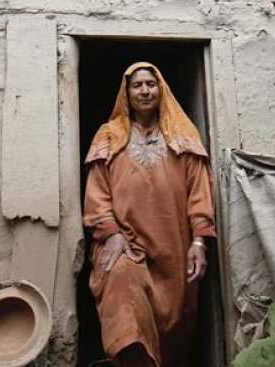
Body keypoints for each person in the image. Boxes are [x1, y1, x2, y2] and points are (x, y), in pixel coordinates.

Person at [83, 62, 216, 367]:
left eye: (150, 84)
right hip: (127, 245)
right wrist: (112, 235)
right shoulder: (108, 136)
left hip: (174, 247)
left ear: (161, 90)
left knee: (174, 324)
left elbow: (199, 191)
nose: (144, 91)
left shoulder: (182, 134)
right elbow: (97, 193)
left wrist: (199, 242)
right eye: (137, 85)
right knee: (122, 296)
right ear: (126, 93)